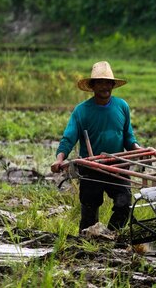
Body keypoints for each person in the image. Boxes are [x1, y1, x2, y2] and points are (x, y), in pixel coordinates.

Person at [51, 61, 140, 232]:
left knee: (124, 204)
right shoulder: (81, 111)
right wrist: (59, 159)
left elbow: (128, 137)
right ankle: (87, 242)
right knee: (90, 211)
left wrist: (138, 149)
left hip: (117, 165)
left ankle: (111, 236)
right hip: (91, 166)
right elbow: (68, 138)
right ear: (92, 86)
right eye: (100, 82)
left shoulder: (122, 106)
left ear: (113, 85)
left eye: (108, 82)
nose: (105, 86)